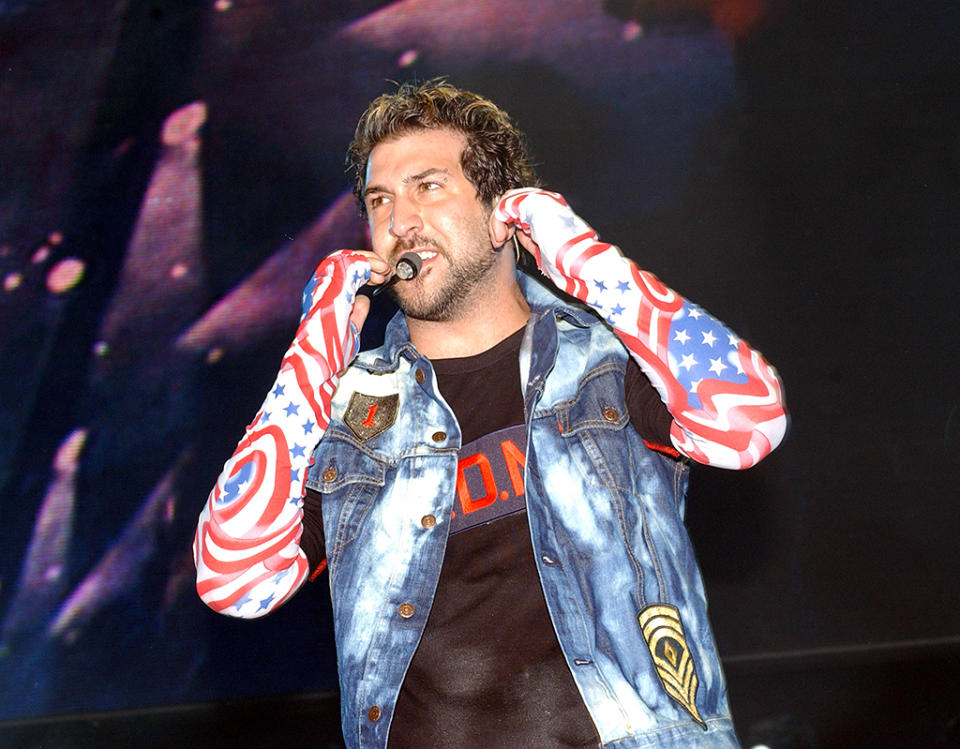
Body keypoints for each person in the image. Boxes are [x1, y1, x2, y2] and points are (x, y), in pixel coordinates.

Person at [194, 80, 787, 749]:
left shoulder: (608, 363)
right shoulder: (344, 418)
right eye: (379, 200)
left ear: (505, 211)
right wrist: (315, 352)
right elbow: (232, 578)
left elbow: (748, 421)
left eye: (428, 186)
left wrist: (584, 258)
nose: (398, 220)